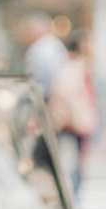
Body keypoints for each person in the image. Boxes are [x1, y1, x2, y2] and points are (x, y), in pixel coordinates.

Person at [47, 28, 99, 196]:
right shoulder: (72, 69)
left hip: (78, 127)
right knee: (72, 172)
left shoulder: (82, 68)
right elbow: (64, 99)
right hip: (72, 129)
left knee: (77, 171)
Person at [19, 12, 68, 102]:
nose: (23, 37)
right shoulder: (54, 43)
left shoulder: (40, 48)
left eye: (25, 32)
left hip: (48, 100)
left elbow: (39, 82)